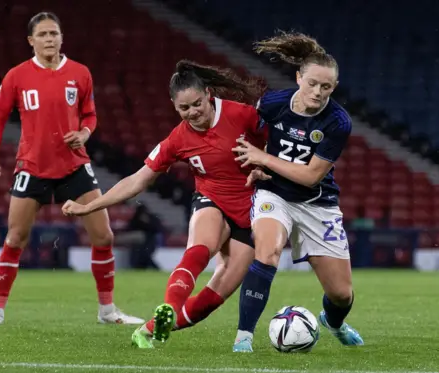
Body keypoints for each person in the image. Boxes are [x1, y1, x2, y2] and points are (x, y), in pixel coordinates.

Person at [62, 60, 266, 348]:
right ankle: (169, 306)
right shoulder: (178, 138)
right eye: (184, 109)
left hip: (251, 209)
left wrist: (264, 162)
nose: (193, 113)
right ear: (174, 106)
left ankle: (149, 329)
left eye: (197, 104)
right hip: (212, 200)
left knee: (214, 297)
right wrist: (89, 207)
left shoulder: (242, 115)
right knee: (200, 249)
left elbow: (277, 145)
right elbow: (137, 180)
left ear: (208, 94)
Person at [0, 12, 143, 326]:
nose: (49, 39)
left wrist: (84, 133)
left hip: (74, 166)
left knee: (104, 236)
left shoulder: (80, 73)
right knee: (15, 238)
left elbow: (90, 115)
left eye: (54, 33)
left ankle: (107, 311)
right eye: (42, 35)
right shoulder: (17, 75)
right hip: (32, 166)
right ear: (31, 41)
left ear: (62, 37)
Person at [231, 32, 364, 352]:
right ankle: (243, 338)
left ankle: (333, 322)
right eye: (313, 84)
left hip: (318, 203)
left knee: (341, 294)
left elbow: (310, 176)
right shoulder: (273, 104)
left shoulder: (337, 122)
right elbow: (247, 141)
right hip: (274, 195)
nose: (318, 92)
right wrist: (254, 167)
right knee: (267, 252)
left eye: (327, 87)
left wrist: (263, 158)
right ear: (298, 78)